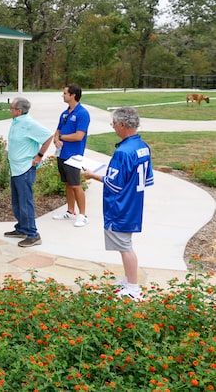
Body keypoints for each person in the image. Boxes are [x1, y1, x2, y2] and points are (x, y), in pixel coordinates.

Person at [83, 106, 153, 300]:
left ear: (122, 124)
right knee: (125, 244)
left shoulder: (122, 152)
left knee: (125, 246)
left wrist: (92, 175)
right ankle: (128, 279)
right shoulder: (143, 147)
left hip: (121, 205)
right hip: (134, 203)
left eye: (113, 124)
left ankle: (133, 287)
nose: (113, 127)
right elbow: (147, 179)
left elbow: (114, 184)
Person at [4, 98, 54, 248]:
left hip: (25, 169)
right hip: (15, 169)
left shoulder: (29, 124)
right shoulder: (17, 121)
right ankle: (22, 228)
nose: (10, 110)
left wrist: (39, 156)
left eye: (11, 108)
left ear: (19, 111)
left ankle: (33, 234)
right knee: (17, 201)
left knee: (25, 203)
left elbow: (48, 136)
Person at [51, 84, 91, 227]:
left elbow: (79, 136)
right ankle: (70, 211)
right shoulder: (65, 113)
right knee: (68, 184)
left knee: (75, 185)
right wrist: (56, 139)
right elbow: (58, 130)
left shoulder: (82, 113)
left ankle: (83, 215)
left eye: (65, 93)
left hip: (74, 156)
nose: (63, 95)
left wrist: (61, 137)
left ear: (73, 95)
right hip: (62, 154)